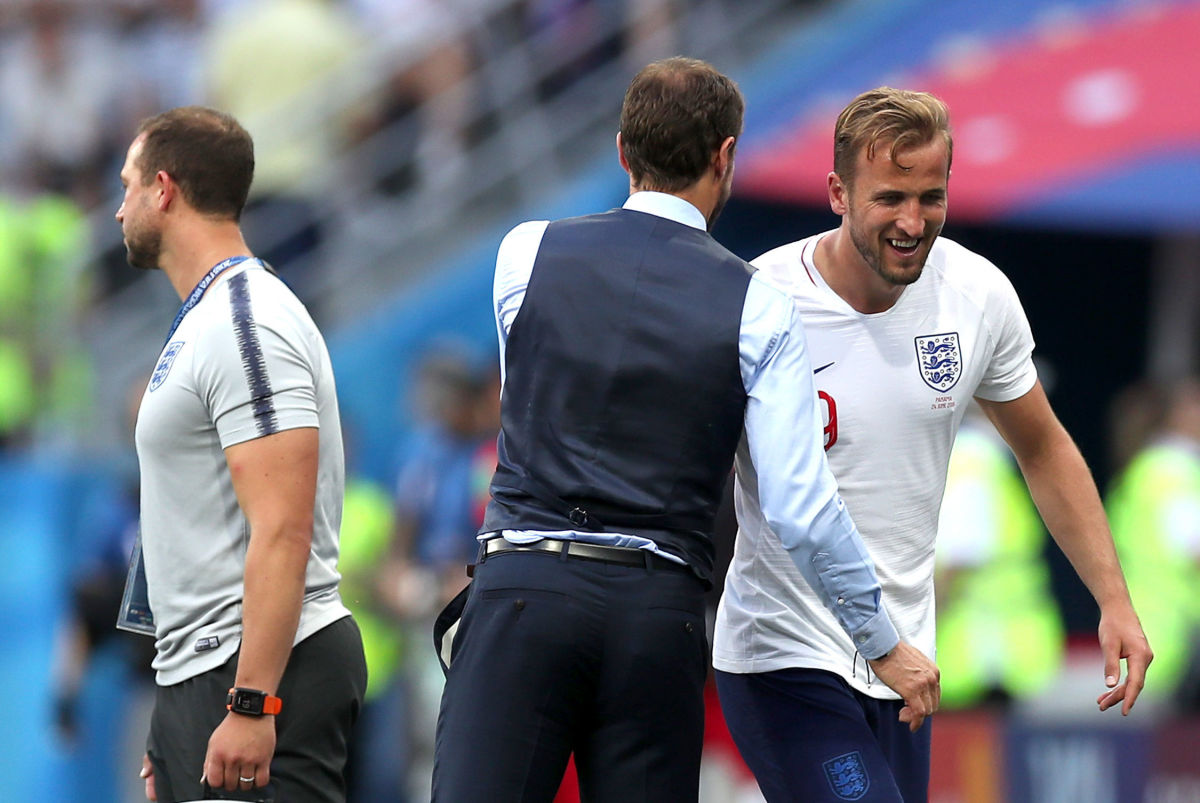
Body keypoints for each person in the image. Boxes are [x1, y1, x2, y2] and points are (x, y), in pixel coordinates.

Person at [431, 58, 938, 803]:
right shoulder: (759, 304)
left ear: (621, 151)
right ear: (725, 156)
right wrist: (881, 642)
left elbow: (527, 411)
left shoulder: (525, 252)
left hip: (523, 588)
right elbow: (800, 507)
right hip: (655, 611)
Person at [713, 87, 1153, 802]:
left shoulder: (976, 294)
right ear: (837, 192)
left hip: (908, 664)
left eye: (931, 197)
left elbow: (1042, 447)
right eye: (891, 197)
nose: (913, 222)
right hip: (783, 652)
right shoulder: (757, 300)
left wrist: (1114, 600)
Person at [114, 106, 366, 802]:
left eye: (128, 185)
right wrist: (178, 711)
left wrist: (251, 702)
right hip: (211, 671)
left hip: (259, 672)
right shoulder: (209, 318)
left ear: (164, 190)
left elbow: (282, 528)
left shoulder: (245, 320)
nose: (117, 209)